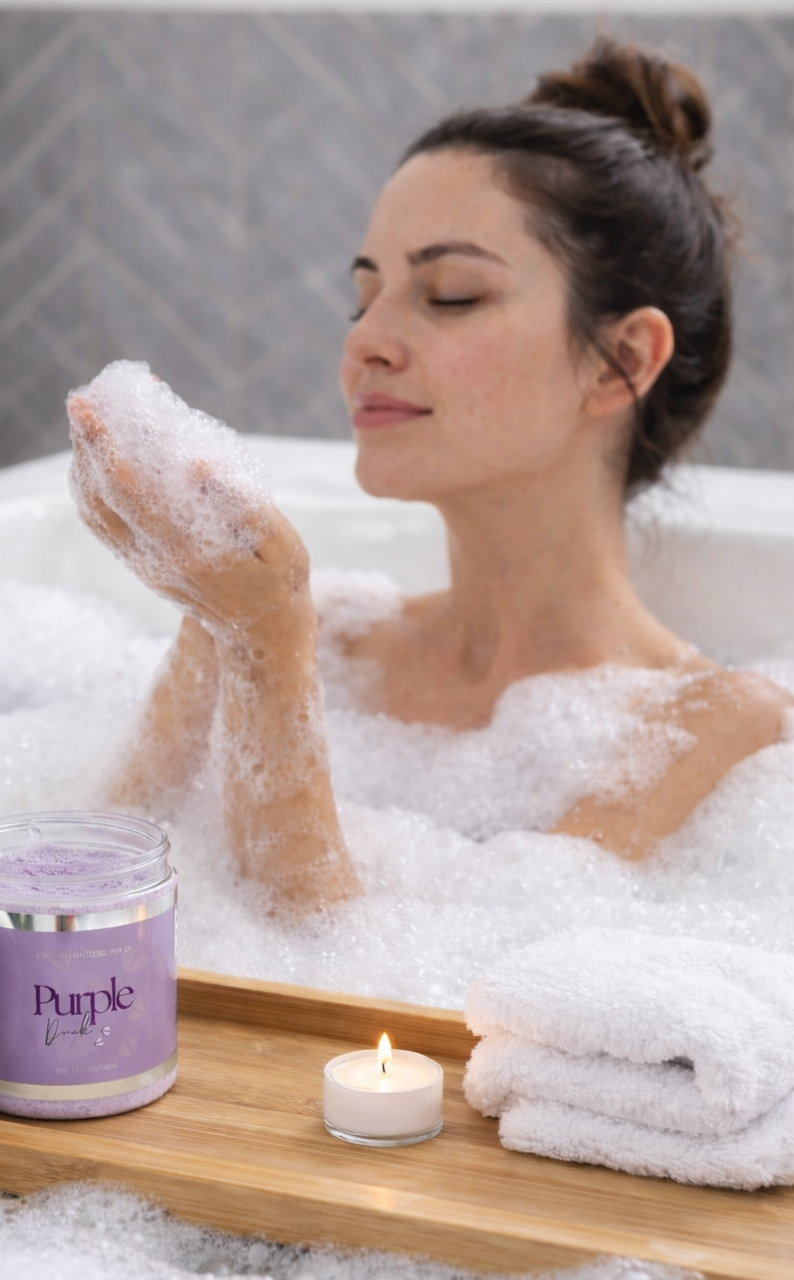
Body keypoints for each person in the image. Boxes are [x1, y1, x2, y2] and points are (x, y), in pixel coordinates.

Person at [69, 37, 793, 910]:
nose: (365, 341)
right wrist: (232, 625)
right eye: (364, 297)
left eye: (450, 295)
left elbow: (370, 978)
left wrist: (264, 644)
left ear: (623, 362)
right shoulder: (319, 634)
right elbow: (91, 894)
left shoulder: (715, 729)